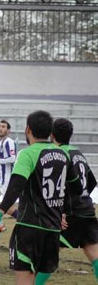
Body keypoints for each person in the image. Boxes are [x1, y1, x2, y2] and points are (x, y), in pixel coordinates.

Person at [0, 110, 82, 285]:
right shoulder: (63, 154)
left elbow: (16, 186)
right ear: (50, 132)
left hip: (29, 228)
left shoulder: (28, 153)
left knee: (25, 279)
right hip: (53, 230)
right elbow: (77, 188)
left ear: (28, 129)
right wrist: (64, 212)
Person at [52, 118, 98, 281]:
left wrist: (62, 211)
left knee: (48, 250)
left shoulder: (60, 154)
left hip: (71, 213)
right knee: (93, 253)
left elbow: (60, 186)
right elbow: (92, 181)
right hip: (86, 210)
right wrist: (83, 196)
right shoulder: (78, 153)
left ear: (52, 135)